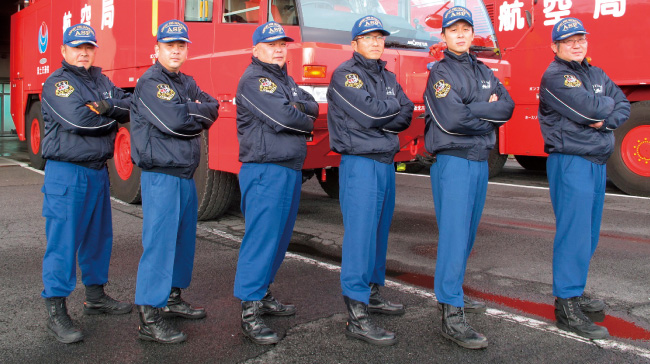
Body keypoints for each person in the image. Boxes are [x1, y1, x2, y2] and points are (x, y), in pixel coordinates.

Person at [423, 6, 514, 349]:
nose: (461, 35)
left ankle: (455, 292)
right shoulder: (440, 73)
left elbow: (506, 106)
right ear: (444, 35)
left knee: (468, 235)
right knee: (454, 235)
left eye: (466, 29)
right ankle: (450, 313)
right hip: (454, 162)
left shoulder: (485, 70)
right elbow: (452, 119)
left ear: (472, 34)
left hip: (478, 162)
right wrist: (483, 110)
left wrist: (474, 109)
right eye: (453, 30)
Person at [40, 23, 133, 344]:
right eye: (77, 47)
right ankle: (55, 309)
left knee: (98, 238)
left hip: (96, 171)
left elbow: (127, 106)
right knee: (63, 242)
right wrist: (108, 113)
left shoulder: (102, 79)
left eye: (88, 47)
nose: (83, 53)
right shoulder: (57, 84)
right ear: (64, 51)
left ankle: (95, 296)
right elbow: (79, 120)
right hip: (66, 173)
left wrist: (105, 109)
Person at [538, 17, 630, 340]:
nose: (577, 44)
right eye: (569, 41)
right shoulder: (555, 76)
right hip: (571, 162)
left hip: (596, 161)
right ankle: (566, 305)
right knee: (573, 232)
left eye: (581, 39)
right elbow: (590, 109)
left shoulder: (595, 73)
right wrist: (600, 111)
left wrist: (602, 120)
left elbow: (621, 105)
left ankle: (574, 291)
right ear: (555, 47)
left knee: (588, 233)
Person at [130, 19, 219, 344]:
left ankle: (172, 297)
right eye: (170, 45)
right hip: (161, 176)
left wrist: (190, 109)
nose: (176, 50)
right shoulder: (151, 83)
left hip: (184, 174)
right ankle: (149, 315)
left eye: (181, 45)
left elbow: (213, 108)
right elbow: (177, 120)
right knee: (159, 244)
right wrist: (192, 111)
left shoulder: (186, 82)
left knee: (182, 241)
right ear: (157, 50)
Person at [327, 15, 413, 346]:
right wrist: (384, 114)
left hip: (384, 163)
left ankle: (374, 292)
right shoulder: (345, 75)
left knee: (378, 232)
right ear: (355, 44)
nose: (376, 42)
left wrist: (383, 114)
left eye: (380, 37)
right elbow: (372, 114)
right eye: (368, 37)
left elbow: (405, 114)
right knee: (360, 237)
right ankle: (356, 313)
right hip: (360, 163)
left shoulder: (389, 76)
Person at [233, 21, 318, 345]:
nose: (279, 48)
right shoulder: (255, 79)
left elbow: (306, 103)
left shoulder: (287, 81)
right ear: (256, 50)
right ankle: (250, 310)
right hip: (265, 170)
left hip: (288, 169)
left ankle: (263, 292)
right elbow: (287, 116)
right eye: (271, 44)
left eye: (282, 43)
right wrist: (301, 114)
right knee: (261, 239)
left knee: (280, 239)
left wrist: (297, 109)